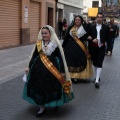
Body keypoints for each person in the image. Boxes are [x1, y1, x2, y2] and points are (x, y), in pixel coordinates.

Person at [22, 25, 74, 117]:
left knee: (53, 87)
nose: (44, 35)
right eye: (42, 33)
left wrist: (62, 70)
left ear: (50, 34)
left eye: (46, 33)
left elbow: (60, 57)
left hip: (53, 69)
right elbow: (34, 56)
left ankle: (55, 103)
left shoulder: (55, 44)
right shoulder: (39, 43)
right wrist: (28, 66)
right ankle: (42, 107)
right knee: (40, 87)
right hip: (39, 69)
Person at [62, 15, 93, 84]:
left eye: (79, 20)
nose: (77, 21)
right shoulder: (71, 28)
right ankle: (71, 76)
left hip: (80, 47)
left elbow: (87, 36)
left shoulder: (84, 28)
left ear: (81, 21)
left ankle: (77, 76)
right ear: (74, 20)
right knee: (71, 60)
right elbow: (66, 38)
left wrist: (89, 37)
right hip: (71, 47)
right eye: (76, 20)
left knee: (79, 60)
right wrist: (63, 46)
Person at [89, 12, 109, 88]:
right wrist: (91, 40)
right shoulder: (92, 27)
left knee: (100, 62)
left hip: (101, 47)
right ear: (96, 18)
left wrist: (109, 49)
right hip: (93, 48)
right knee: (95, 63)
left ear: (103, 18)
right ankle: (97, 76)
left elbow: (109, 39)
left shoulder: (106, 27)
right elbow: (88, 37)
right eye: (98, 17)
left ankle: (97, 80)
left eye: (101, 17)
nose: (99, 18)